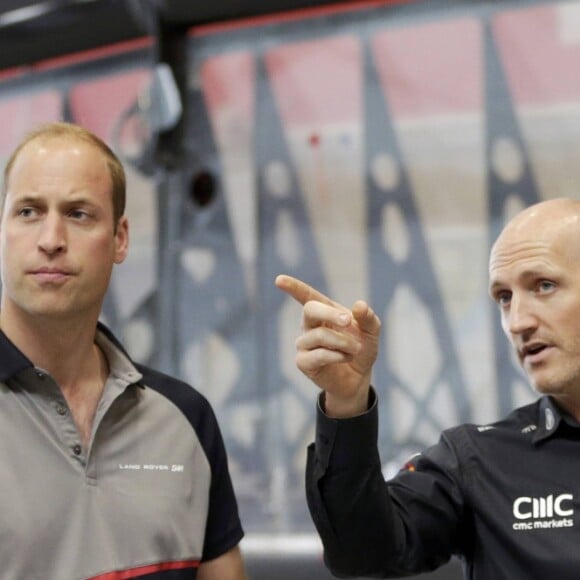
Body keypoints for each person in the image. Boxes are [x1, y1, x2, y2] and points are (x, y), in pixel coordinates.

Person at [275, 197, 580, 580]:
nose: (517, 322)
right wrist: (346, 403)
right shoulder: (479, 462)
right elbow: (362, 555)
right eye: (504, 298)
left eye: (544, 286)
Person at [0, 122, 246, 580]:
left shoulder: (185, 420)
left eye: (79, 214)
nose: (51, 239)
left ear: (119, 239)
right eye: (29, 211)